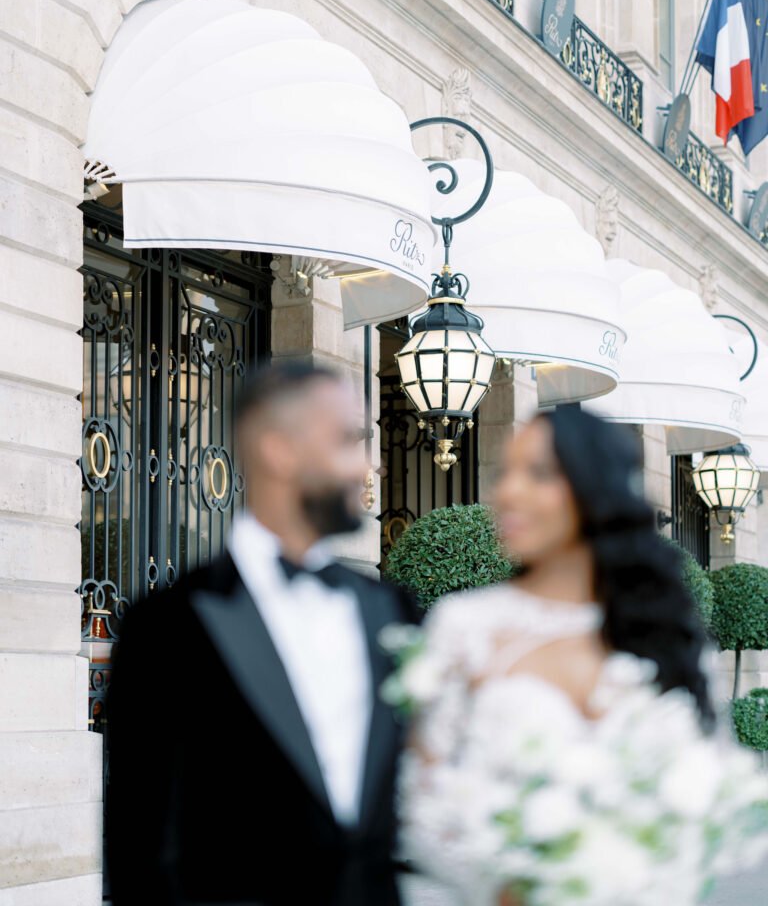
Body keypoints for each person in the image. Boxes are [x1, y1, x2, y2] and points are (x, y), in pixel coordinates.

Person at [105, 361, 422, 906]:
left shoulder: (389, 608)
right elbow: (139, 849)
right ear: (279, 450)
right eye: (349, 440)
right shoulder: (165, 626)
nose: (370, 465)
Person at [396, 405, 735, 906]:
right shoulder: (465, 624)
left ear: (593, 488)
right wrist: (518, 881)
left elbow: (698, 794)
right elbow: (418, 794)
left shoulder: (667, 632)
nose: (508, 491)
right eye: (507, 472)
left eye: (538, 473)